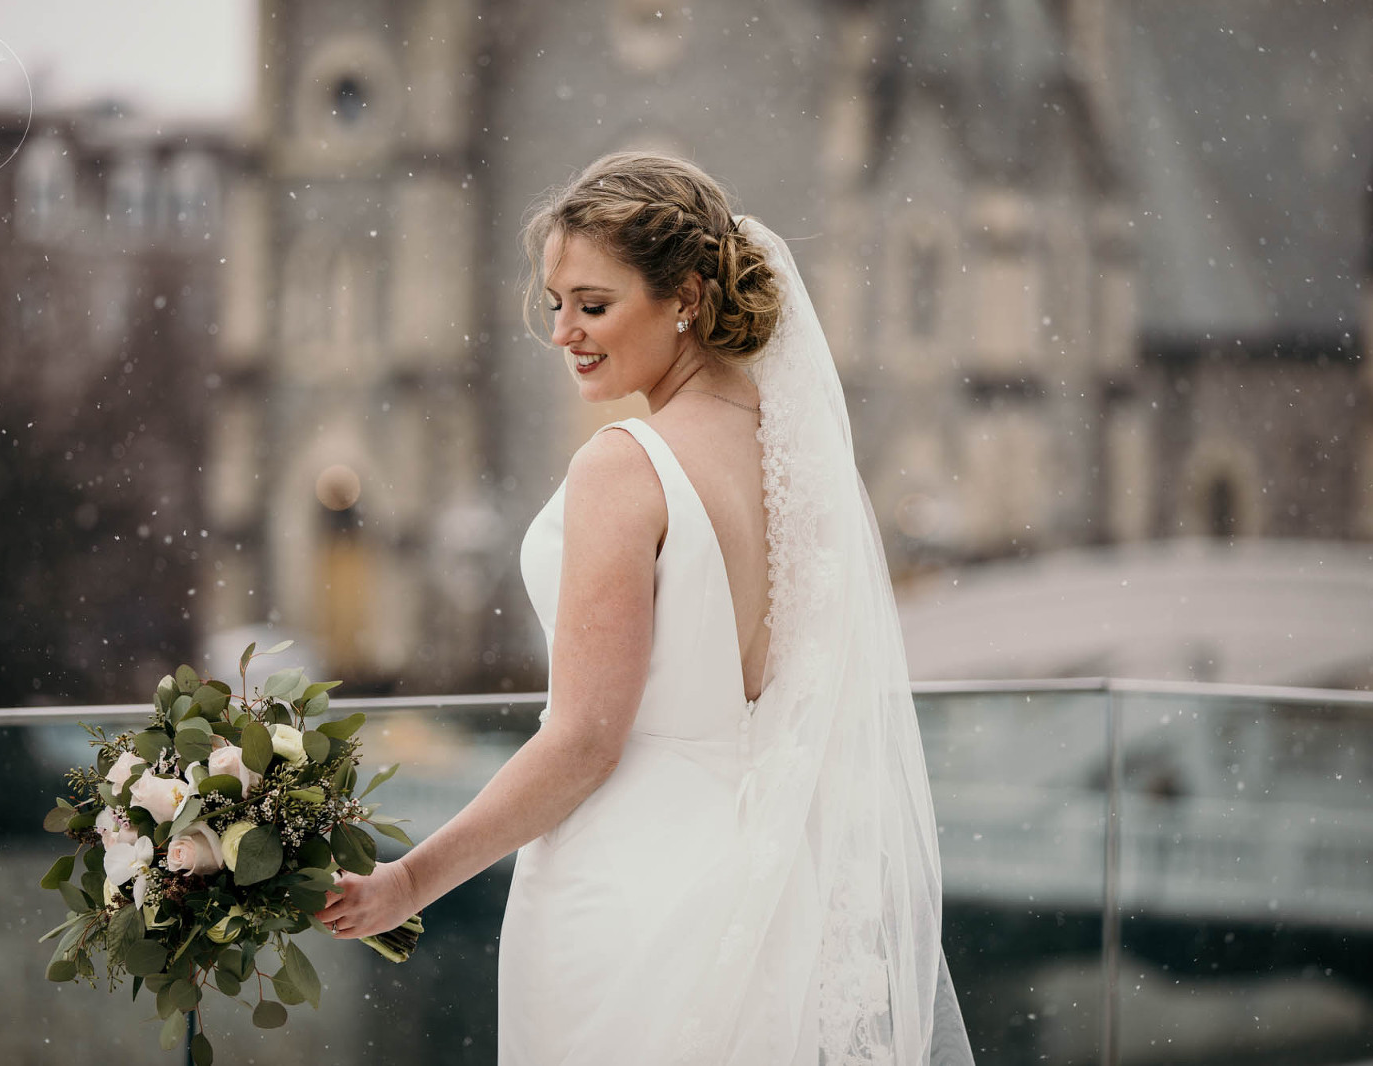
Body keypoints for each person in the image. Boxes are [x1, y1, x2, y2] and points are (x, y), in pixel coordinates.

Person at [316, 151, 973, 1064]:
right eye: (556, 306)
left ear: (688, 299)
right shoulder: (792, 457)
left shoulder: (622, 465)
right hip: (768, 886)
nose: (565, 334)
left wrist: (411, 880)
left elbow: (586, 741)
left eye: (594, 305)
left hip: (628, 888)